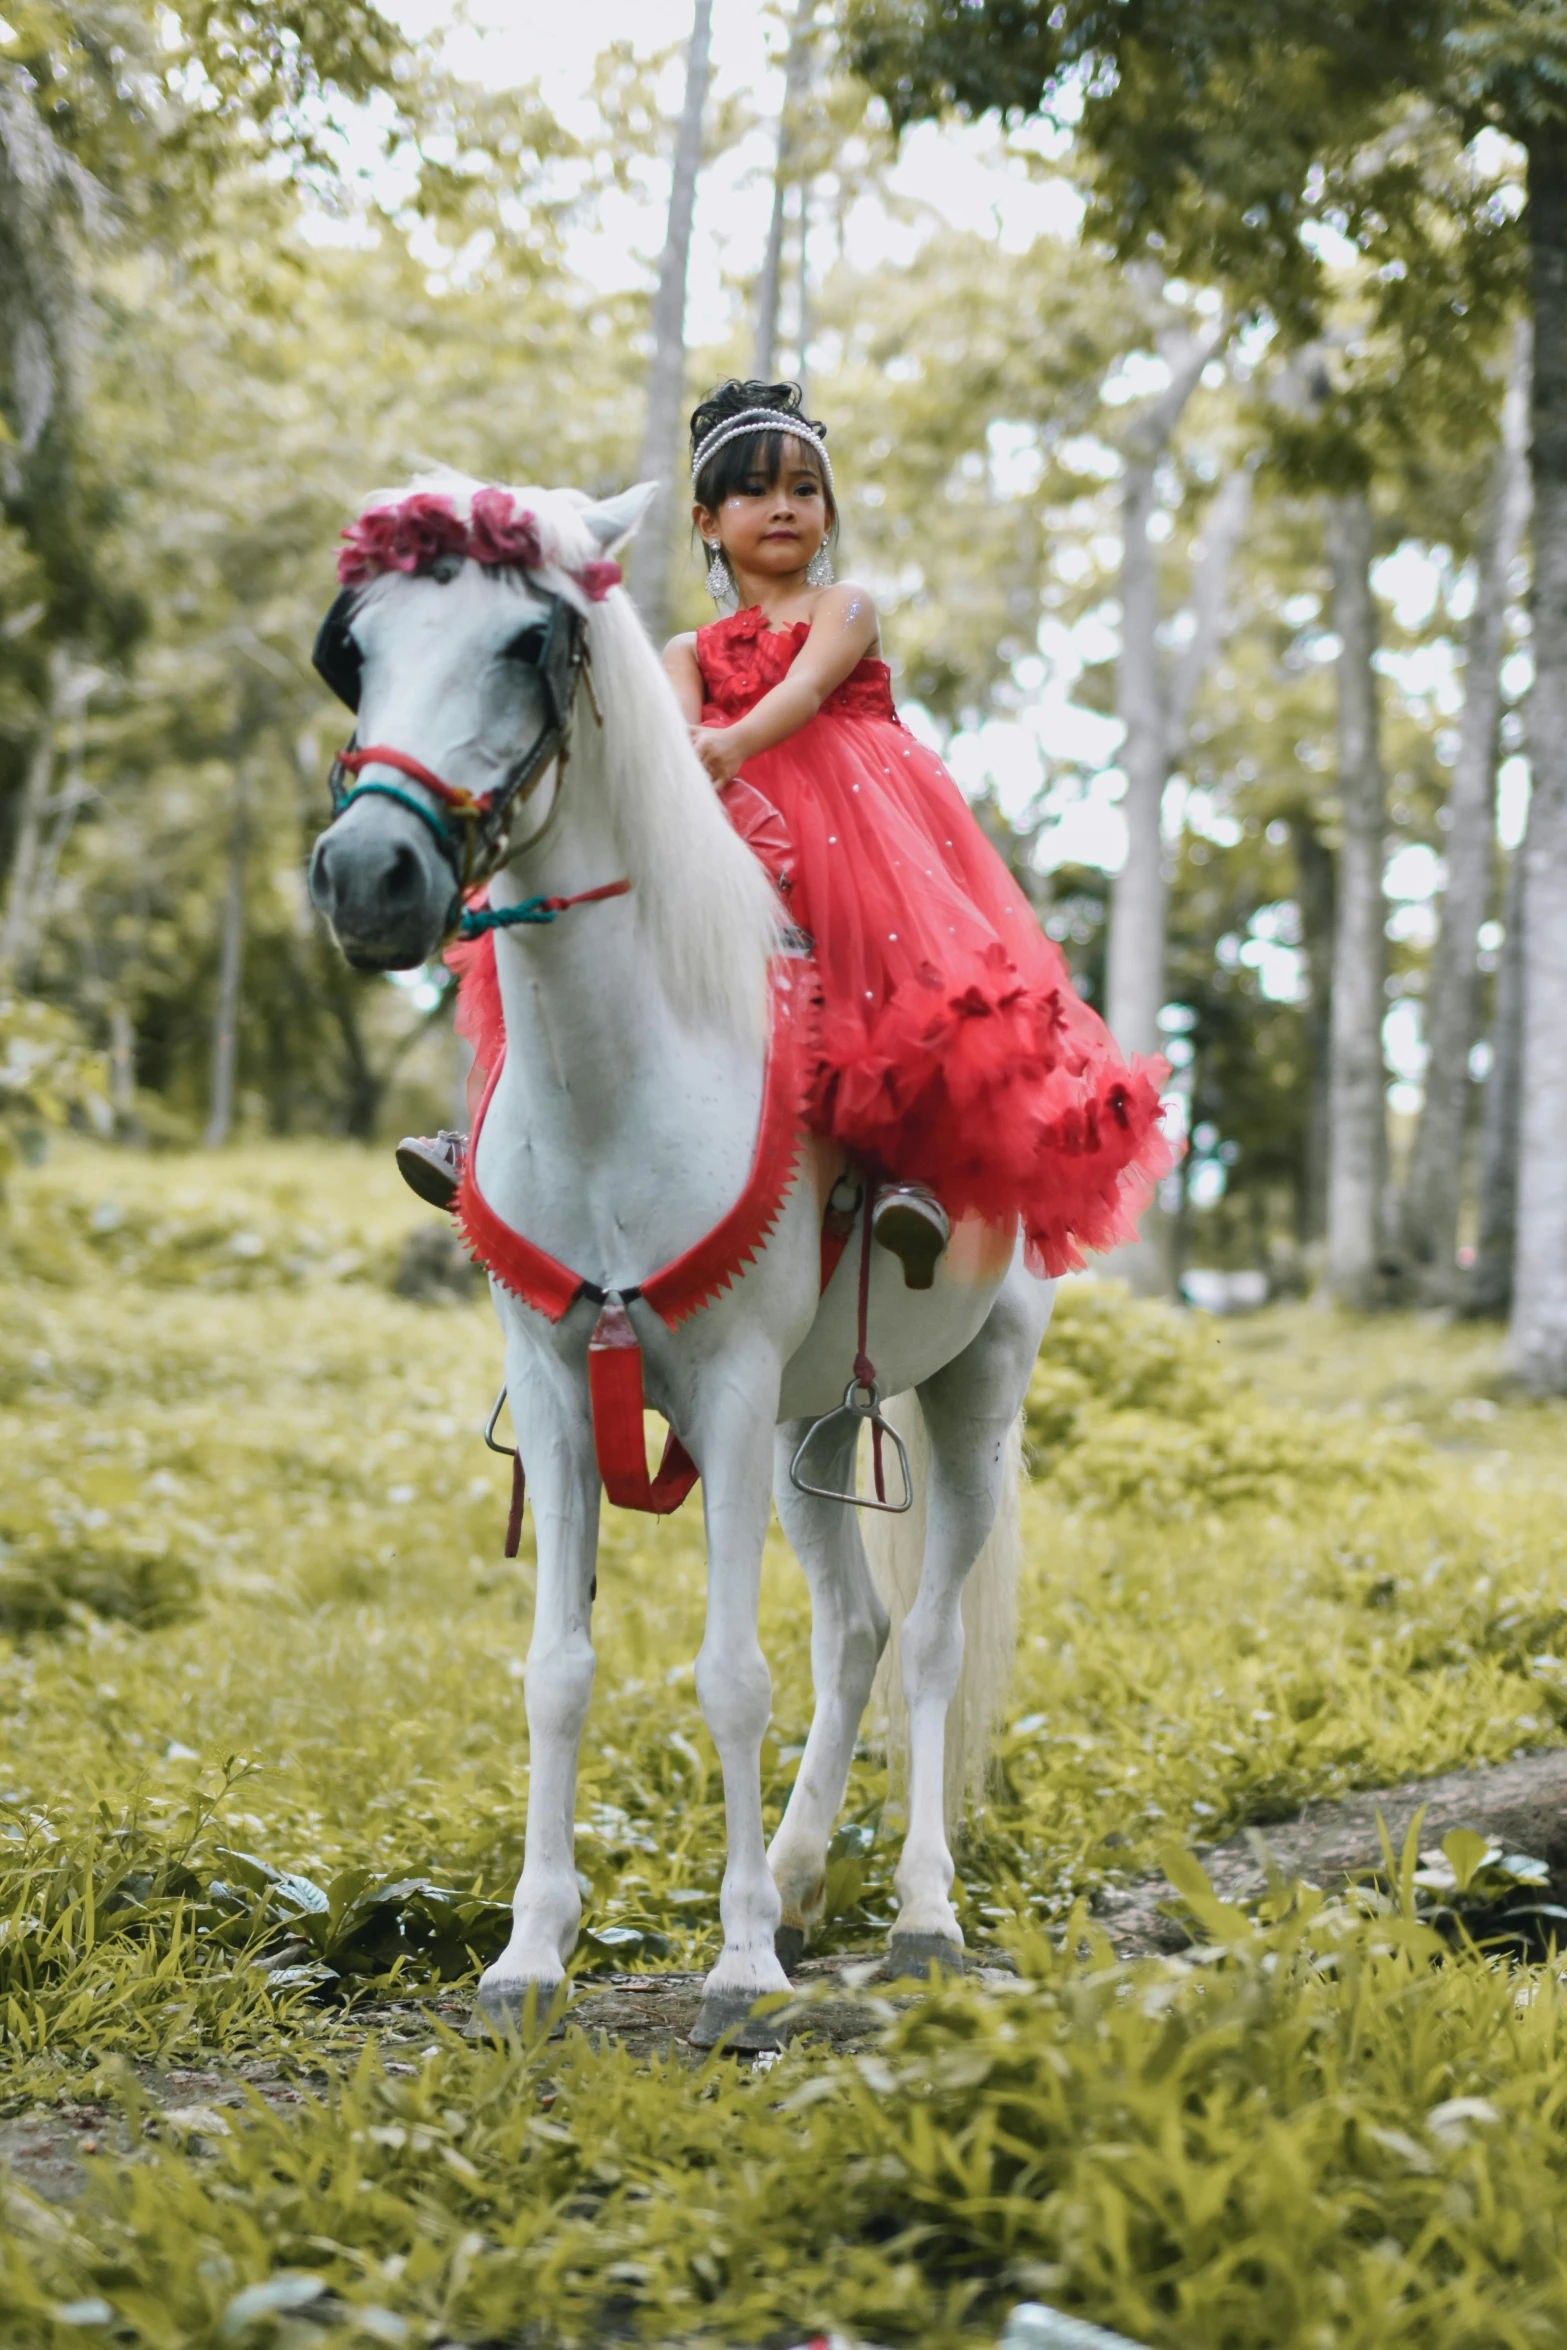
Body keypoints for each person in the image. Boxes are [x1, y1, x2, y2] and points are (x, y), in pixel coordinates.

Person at [397, 377, 1173, 1288]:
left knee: (880, 985)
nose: (782, 508)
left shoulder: (844, 607)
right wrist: (688, 761)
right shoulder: (685, 651)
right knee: (556, 938)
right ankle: (499, 1131)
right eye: (753, 492)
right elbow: (669, 740)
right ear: (706, 521)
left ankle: (902, 1180)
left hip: (852, 824)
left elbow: (803, 694)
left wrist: (731, 740)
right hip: (722, 822)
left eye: (804, 490)